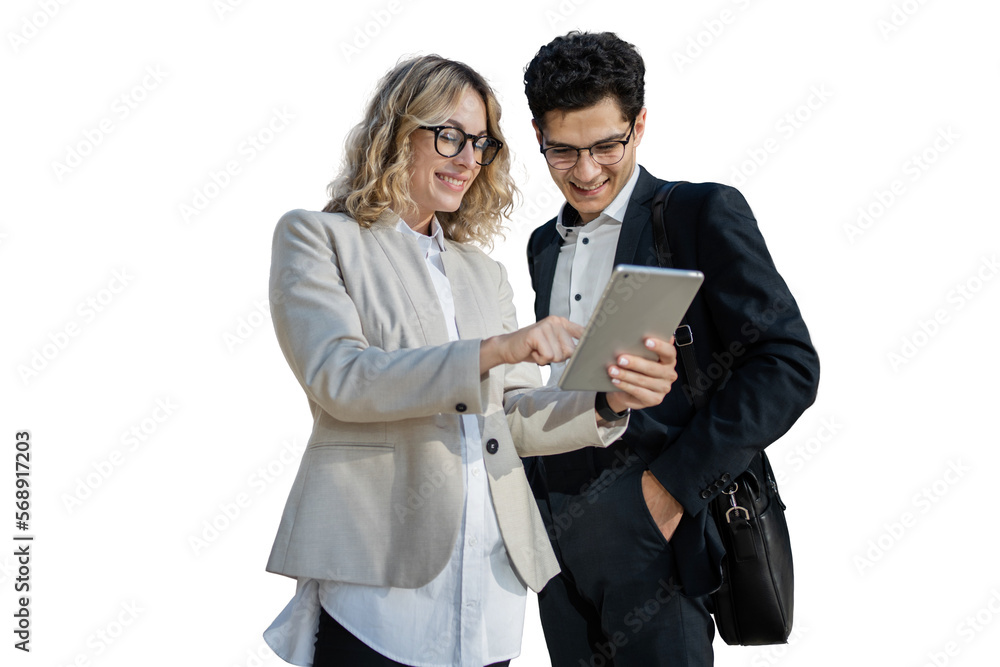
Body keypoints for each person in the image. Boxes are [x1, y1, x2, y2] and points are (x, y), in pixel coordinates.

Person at [261, 54, 679, 667]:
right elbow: (341, 381)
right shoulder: (318, 238)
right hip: (380, 581)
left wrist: (607, 399)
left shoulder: (483, 273)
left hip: (488, 583)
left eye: (479, 144)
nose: (466, 159)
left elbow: (510, 420)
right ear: (397, 131)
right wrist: (493, 351)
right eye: (449, 135)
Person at [522, 32, 822, 665]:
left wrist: (670, 491)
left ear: (640, 124)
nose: (587, 171)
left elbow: (788, 363)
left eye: (608, 144)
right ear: (538, 135)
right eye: (564, 151)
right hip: (554, 540)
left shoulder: (698, 213)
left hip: (655, 533)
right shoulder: (541, 246)